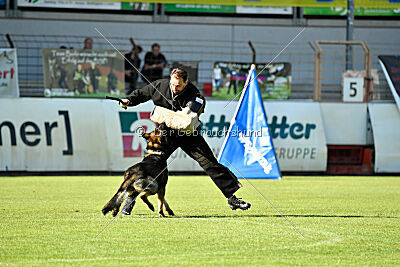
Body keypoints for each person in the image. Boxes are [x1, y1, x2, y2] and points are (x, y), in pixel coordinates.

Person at [119, 68, 251, 213]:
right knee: (151, 164)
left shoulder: (195, 95)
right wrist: (128, 100)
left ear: (186, 82)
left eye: (178, 86)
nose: (175, 88)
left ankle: (232, 197)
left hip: (189, 134)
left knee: (210, 163)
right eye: (172, 84)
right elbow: (140, 94)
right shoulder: (160, 85)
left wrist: (176, 113)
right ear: (169, 80)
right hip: (166, 134)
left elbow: (189, 117)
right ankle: (131, 197)